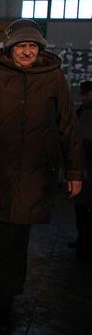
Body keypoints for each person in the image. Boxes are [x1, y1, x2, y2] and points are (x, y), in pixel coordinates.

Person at [0, 18, 84, 332]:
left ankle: (1, 302)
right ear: (10, 49)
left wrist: (75, 170)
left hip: (33, 175)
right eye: (22, 46)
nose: (27, 52)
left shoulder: (52, 77)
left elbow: (68, 125)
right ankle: (0, 293)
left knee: (14, 240)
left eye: (33, 46)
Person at [73, 80, 92, 260]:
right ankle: (82, 241)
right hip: (83, 165)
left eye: (88, 94)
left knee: (84, 209)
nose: (86, 97)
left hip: (87, 165)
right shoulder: (82, 112)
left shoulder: (85, 112)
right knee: (82, 209)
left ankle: (84, 244)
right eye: (85, 94)